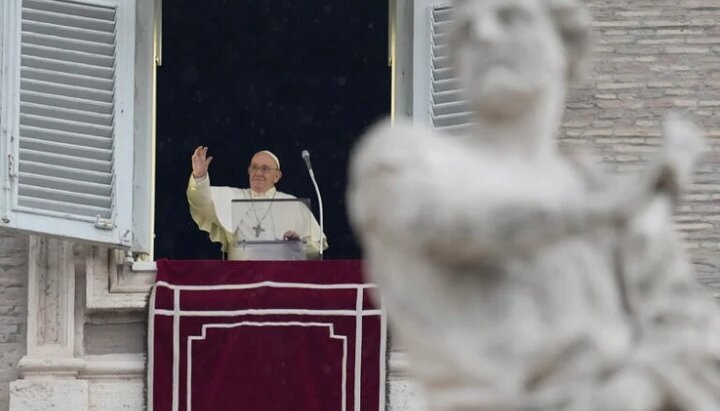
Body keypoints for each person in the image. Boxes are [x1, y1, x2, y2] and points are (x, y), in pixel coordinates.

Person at [348, 0, 719, 409]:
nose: (485, 35)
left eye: (511, 16)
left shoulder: (605, 193)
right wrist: (603, 210)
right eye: (467, 31)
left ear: (566, 44)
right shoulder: (412, 159)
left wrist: (638, 386)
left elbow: (693, 333)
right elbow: (439, 224)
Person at [187, 147, 327, 260]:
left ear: (277, 176)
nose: (258, 173)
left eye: (265, 169)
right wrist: (199, 176)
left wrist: (299, 245)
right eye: (254, 168)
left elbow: (317, 249)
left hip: (282, 283)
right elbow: (200, 202)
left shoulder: (294, 206)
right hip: (243, 283)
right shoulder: (233, 197)